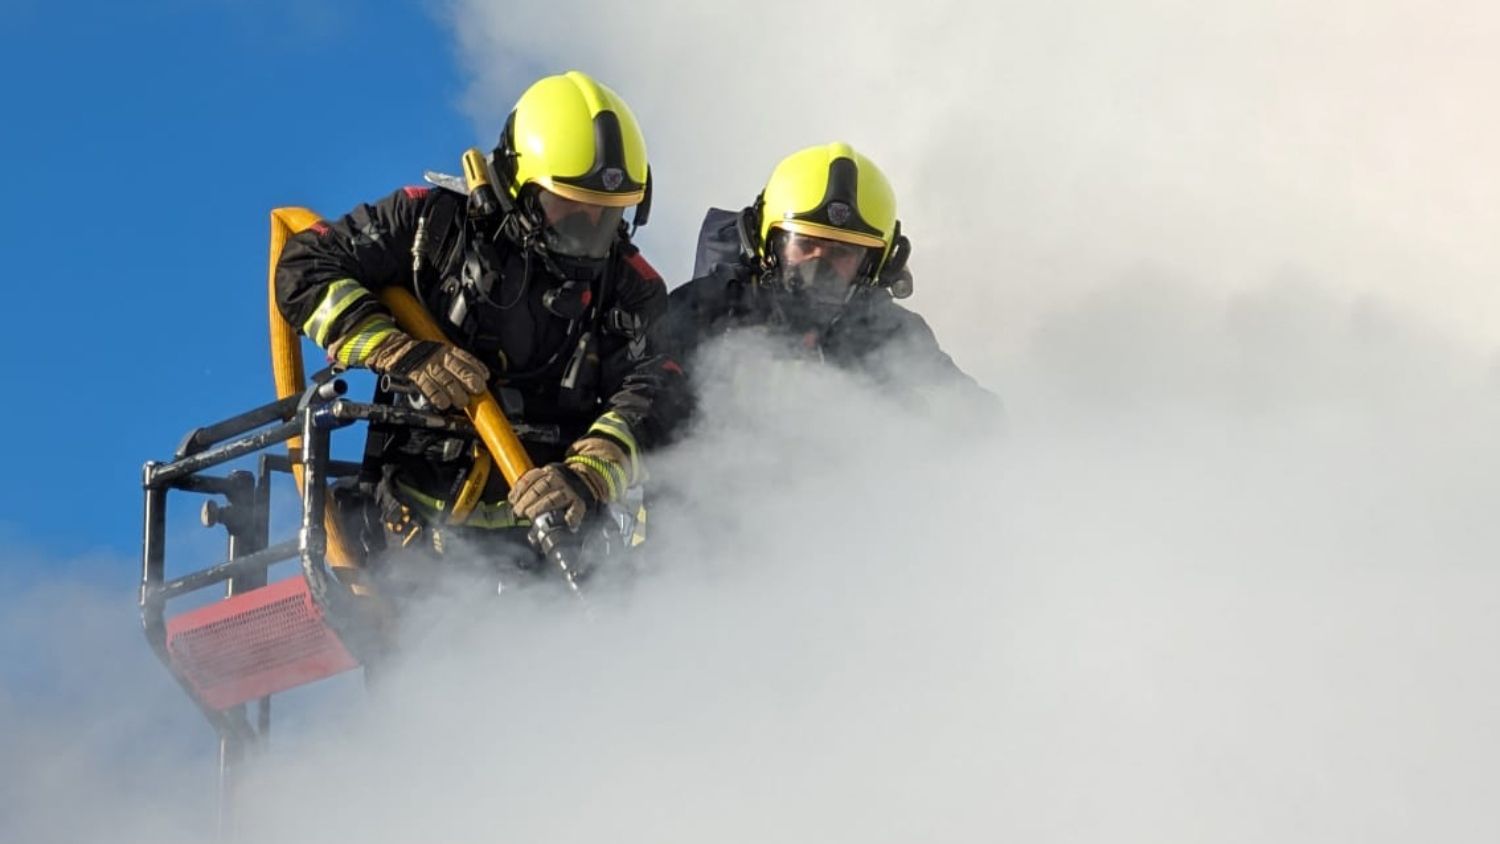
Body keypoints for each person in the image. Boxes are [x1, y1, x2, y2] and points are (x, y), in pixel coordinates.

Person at [275, 71, 682, 579]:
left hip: (556, 550)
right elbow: (305, 266)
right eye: (567, 211)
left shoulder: (631, 288)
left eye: (609, 216)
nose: (589, 236)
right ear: (516, 186)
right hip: (416, 535)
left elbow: (659, 391)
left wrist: (590, 474)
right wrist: (397, 351)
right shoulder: (433, 227)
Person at [658, 142, 991, 408]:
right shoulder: (707, 308)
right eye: (804, 244)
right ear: (764, 241)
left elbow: (971, 412)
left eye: (842, 253)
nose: (818, 265)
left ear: (875, 263)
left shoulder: (890, 332)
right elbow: (638, 395)